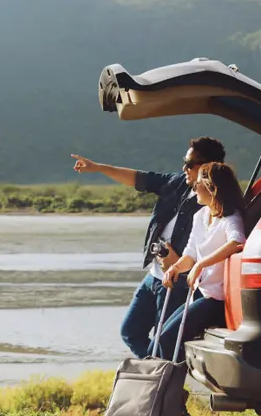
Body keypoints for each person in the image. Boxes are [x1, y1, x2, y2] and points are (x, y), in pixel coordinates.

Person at [71, 136, 227, 358]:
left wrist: (180, 263)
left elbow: (218, 243)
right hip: (154, 274)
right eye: (184, 162)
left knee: (165, 343)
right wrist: (98, 168)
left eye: (190, 164)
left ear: (208, 166)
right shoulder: (176, 183)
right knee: (131, 332)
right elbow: (138, 178)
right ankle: (155, 372)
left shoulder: (213, 202)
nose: (184, 168)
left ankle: (162, 375)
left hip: (178, 281)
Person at [153, 161, 247, 416]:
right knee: (161, 340)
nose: (193, 187)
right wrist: (175, 268)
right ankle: (172, 407)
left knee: (167, 339)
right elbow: (190, 254)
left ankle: (174, 410)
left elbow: (237, 242)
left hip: (218, 299)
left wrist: (202, 265)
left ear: (212, 188)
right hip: (203, 294)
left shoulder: (230, 219)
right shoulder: (200, 215)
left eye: (198, 184)